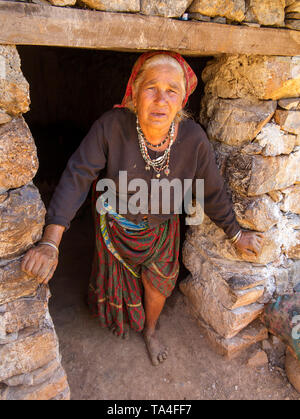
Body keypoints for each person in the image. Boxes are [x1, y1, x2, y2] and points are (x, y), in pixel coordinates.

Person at [21, 51, 264, 366]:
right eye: (151, 87)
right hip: (115, 223)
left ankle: (150, 330)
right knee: (114, 277)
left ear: (181, 101)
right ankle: (118, 316)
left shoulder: (193, 139)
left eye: (172, 90)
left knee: (158, 282)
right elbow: (77, 177)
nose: (161, 99)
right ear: (134, 94)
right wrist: (51, 241)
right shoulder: (111, 126)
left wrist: (236, 234)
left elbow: (212, 190)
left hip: (162, 226)